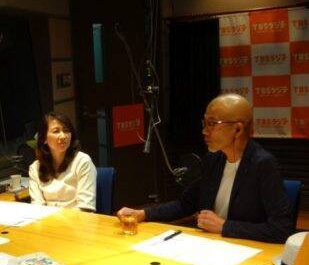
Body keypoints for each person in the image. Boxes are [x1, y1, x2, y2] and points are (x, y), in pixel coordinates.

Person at [117, 94, 293, 243]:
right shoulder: (214, 159)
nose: (204, 131)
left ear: (238, 130)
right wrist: (143, 214)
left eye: (212, 124)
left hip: (246, 249)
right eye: (205, 123)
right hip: (211, 245)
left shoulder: (263, 165)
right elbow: (185, 204)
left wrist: (225, 227)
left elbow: (281, 229)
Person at [29, 112, 97, 211]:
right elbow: (37, 207)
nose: (63, 136)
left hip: (77, 219)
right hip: (48, 219)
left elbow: (85, 207)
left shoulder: (83, 161)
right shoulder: (35, 168)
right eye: (56, 131)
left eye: (66, 131)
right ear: (44, 139)